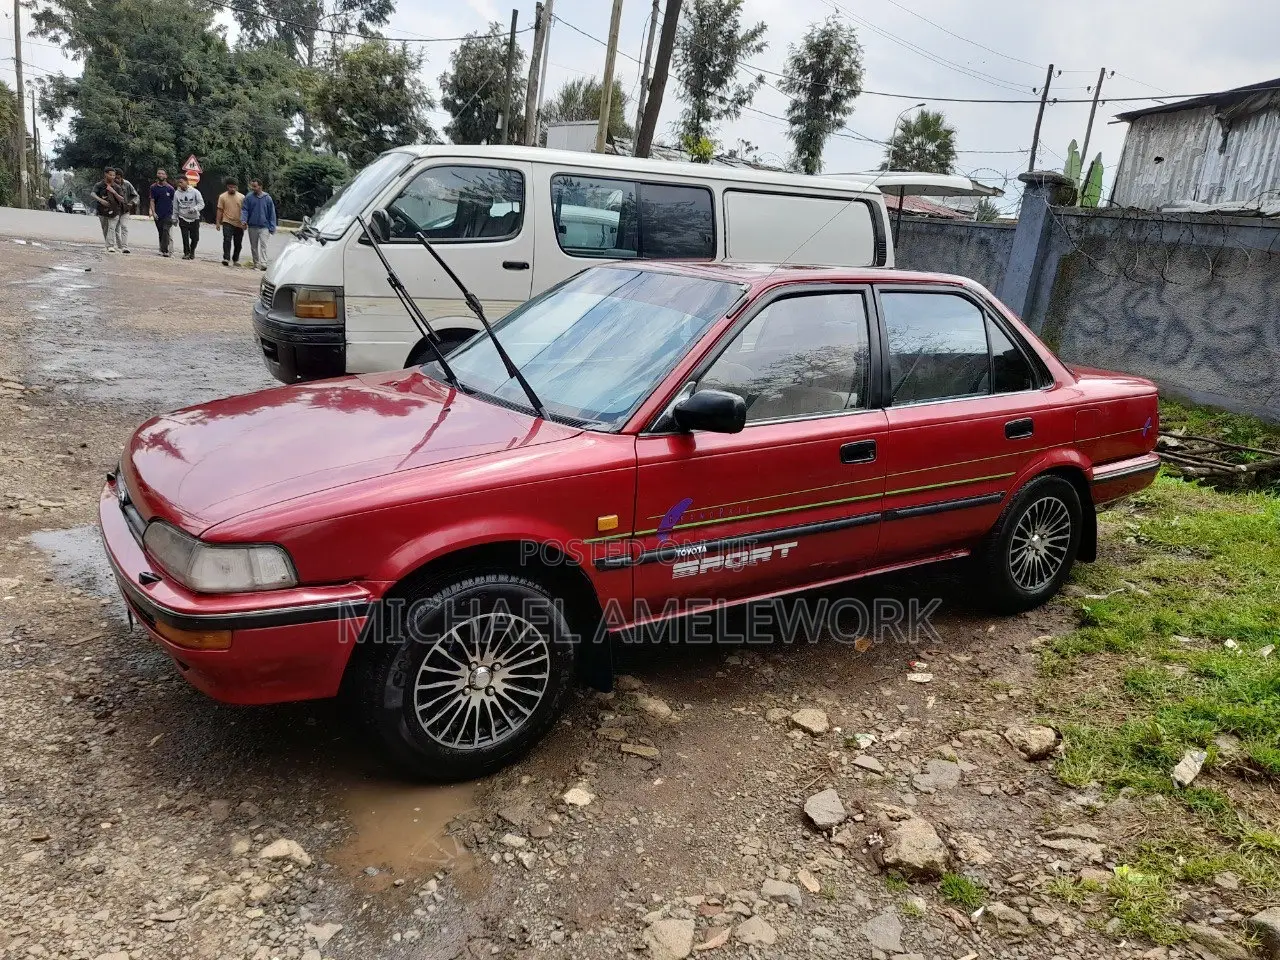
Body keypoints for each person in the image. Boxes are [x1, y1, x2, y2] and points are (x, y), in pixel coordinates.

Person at [240, 179, 277, 271]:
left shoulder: (267, 198)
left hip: (264, 226)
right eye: (252, 186)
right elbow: (245, 210)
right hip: (252, 226)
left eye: (255, 186)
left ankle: (264, 263)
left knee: (264, 245)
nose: (253, 188)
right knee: (254, 246)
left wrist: (272, 227)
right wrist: (244, 220)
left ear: (260, 186)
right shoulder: (248, 197)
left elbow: (271, 213)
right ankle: (256, 263)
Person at [90, 167, 129, 253]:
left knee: (112, 227)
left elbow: (122, 199)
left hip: (115, 210)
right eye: (110, 175)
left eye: (114, 175)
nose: (112, 177)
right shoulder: (99, 185)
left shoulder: (117, 187)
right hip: (102, 210)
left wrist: (114, 192)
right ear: (105, 174)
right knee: (105, 228)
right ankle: (108, 244)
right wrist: (101, 200)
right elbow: (92, 193)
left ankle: (111, 246)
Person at [173, 175, 205, 260]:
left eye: (181, 182)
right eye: (178, 183)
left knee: (195, 238)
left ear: (187, 182)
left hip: (195, 218)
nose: (180, 184)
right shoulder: (177, 193)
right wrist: (174, 218)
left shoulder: (195, 192)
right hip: (183, 217)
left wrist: (194, 209)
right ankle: (186, 253)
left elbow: (201, 204)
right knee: (185, 237)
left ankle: (192, 250)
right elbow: (175, 207)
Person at [215, 178, 245, 267]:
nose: (232, 189)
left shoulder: (242, 197)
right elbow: (220, 210)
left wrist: (245, 222)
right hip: (227, 221)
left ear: (236, 187)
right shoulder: (222, 197)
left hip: (239, 223)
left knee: (238, 243)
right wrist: (218, 222)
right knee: (227, 240)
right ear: (227, 187)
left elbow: (245, 211)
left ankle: (235, 259)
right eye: (230, 187)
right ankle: (226, 258)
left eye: (234, 187)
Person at [148, 168, 176, 258]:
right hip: (158, 214)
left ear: (166, 176)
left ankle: (165, 250)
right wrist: (153, 212)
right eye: (159, 173)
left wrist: (175, 214)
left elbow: (174, 202)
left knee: (165, 230)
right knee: (161, 231)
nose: (161, 175)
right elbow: (152, 200)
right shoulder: (153, 187)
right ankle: (162, 248)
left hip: (168, 214)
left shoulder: (170, 189)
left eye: (162, 173)